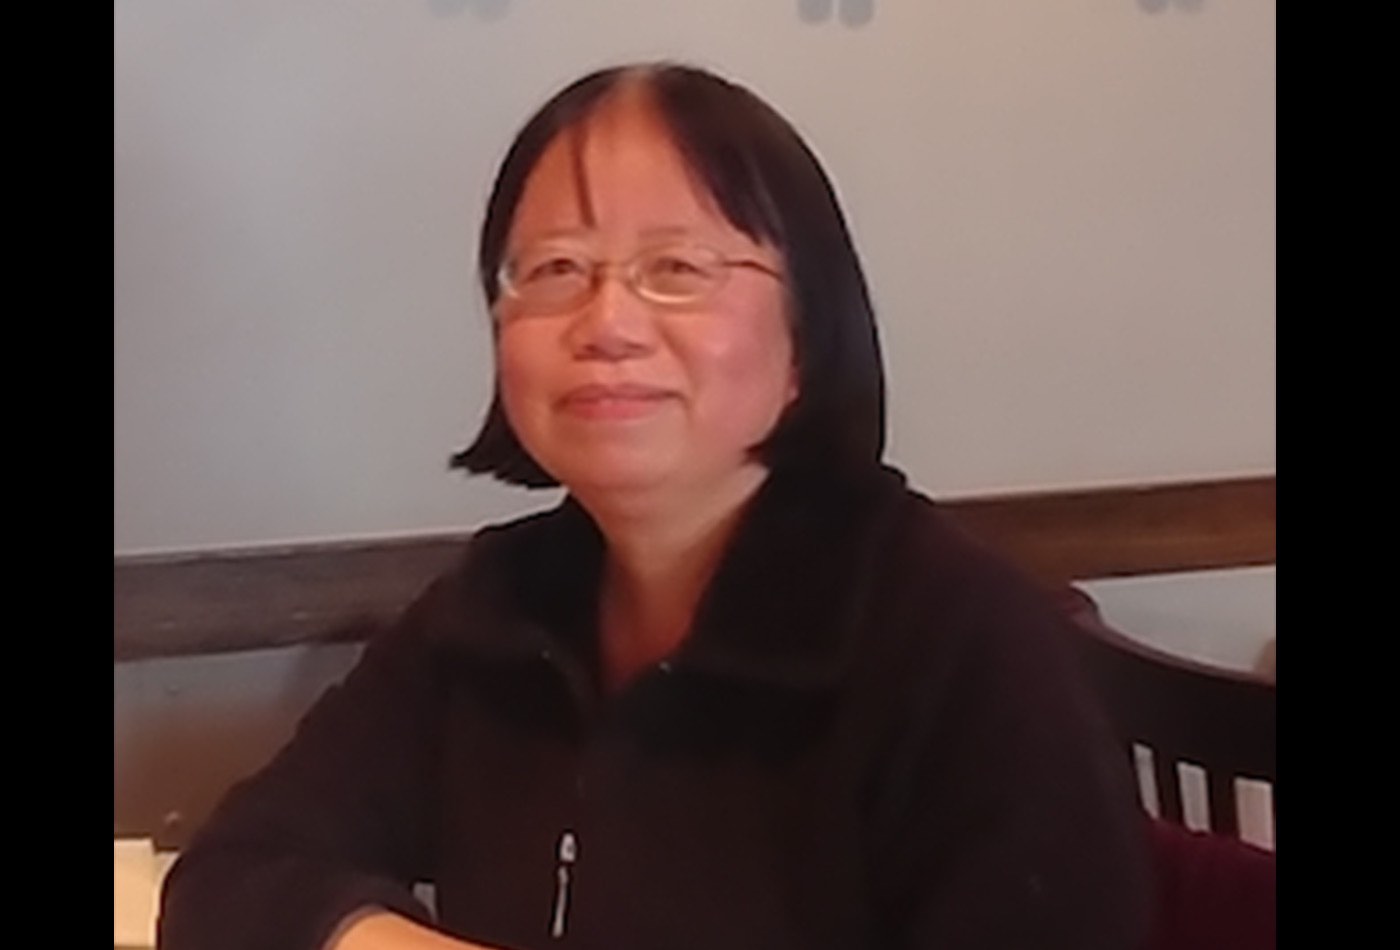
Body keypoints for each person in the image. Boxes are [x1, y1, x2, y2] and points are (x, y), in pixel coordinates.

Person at [158, 62, 1152, 950]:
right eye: (553, 270)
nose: (607, 322)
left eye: (675, 269)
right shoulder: (500, 602)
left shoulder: (959, 640)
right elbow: (233, 876)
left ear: (805, 336)